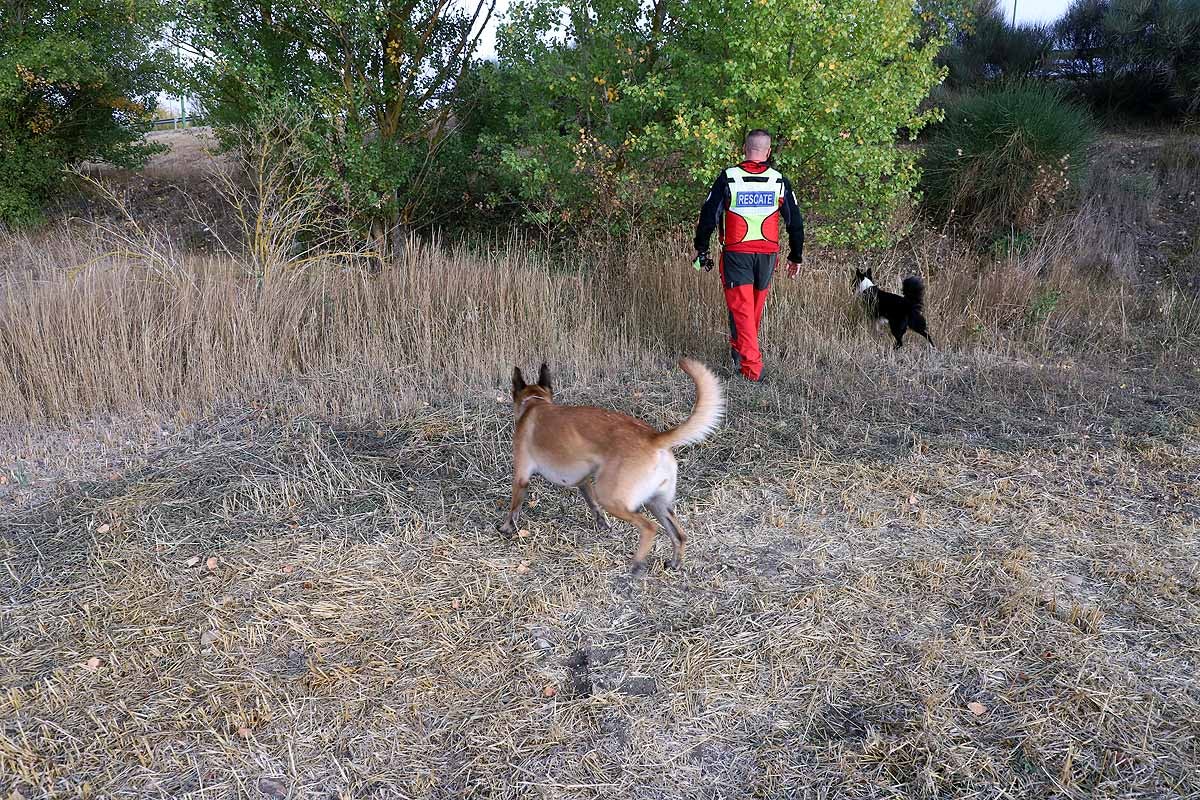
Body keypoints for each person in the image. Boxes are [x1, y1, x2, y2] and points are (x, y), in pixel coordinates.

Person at [693, 129, 803, 382]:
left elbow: (708, 216)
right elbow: (795, 222)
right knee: (749, 310)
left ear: (745, 148)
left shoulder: (729, 177)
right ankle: (738, 351)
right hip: (767, 255)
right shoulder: (779, 180)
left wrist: (701, 247)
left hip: (737, 253)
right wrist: (795, 256)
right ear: (768, 151)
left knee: (744, 310)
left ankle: (752, 370)